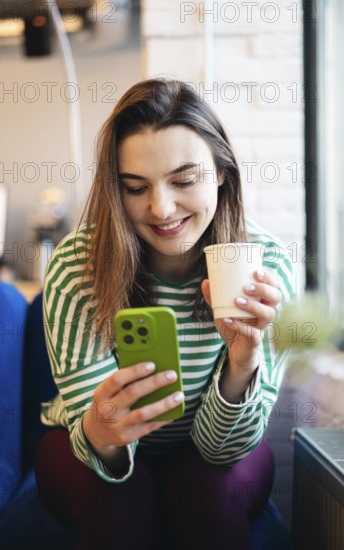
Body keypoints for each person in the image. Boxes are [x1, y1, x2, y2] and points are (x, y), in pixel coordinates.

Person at [35, 78, 295, 550]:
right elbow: (102, 449)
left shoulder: (265, 265)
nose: (161, 208)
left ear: (221, 171)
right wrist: (103, 426)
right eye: (135, 187)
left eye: (183, 180)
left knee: (207, 496)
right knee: (121, 502)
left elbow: (225, 450)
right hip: (89, 446)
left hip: (212, 453)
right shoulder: (77, 266)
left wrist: (242, 363)